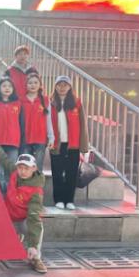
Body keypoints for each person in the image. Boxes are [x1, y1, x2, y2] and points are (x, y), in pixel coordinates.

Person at [48, 76, 91, 209]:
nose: (62, 87)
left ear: (70, 87)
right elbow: (46, 122)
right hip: (56, 144)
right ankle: (59, 200)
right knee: (57, 173)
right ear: (55, 86)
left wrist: (84, 145)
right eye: (59, 85)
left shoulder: (76, 103)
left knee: (71, 173)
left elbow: (83, 124)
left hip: (73, 144)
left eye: (65, 85)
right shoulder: (50, 103)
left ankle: (69, 200)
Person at [0, 77, 23, 193]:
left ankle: (11, 196)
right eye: (4, 86)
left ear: (13, 89)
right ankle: (1, 197)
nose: (7, 88)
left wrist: (21, 142)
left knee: (12, 171)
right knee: (0, 172)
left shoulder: (18, 104)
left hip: (13, 142)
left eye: (9, 86)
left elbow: (22, 124)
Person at [19, 70, 52, 166]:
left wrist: (51, 137)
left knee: (37, 167)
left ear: (40, 85)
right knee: (25, 166)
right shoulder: (21, 100)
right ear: (26, 85)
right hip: (25, 139)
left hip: (40, 139)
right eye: (30, 83)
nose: (33, 85)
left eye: (35, 82)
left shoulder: (45, 100)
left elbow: (49, 120)